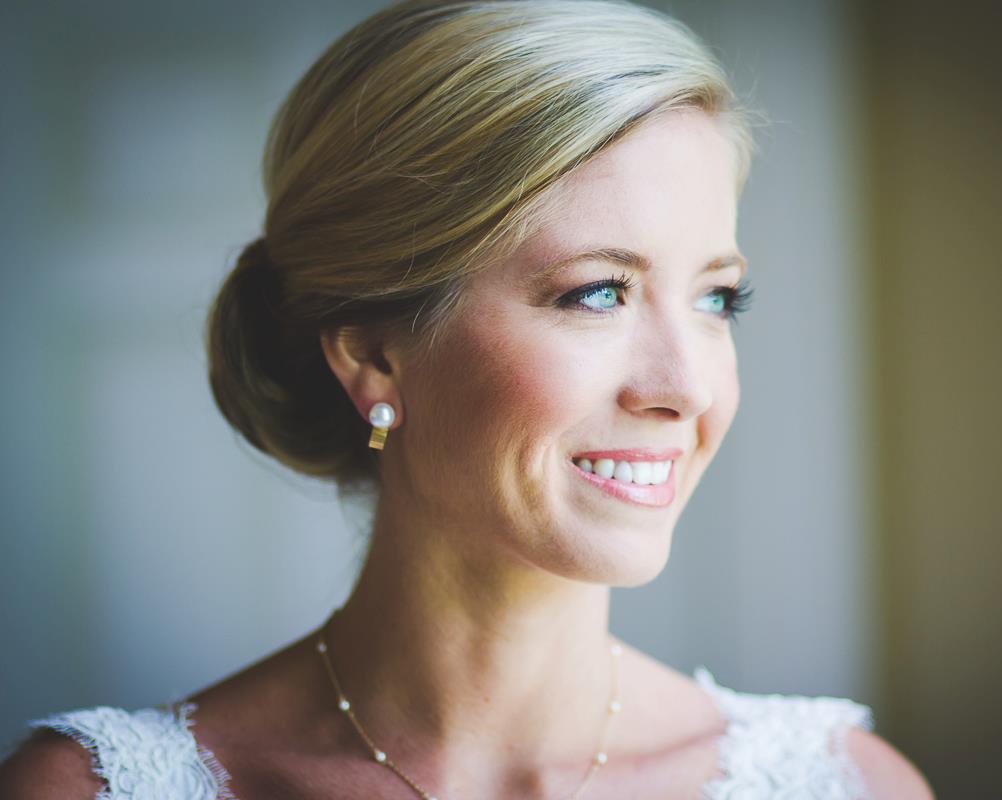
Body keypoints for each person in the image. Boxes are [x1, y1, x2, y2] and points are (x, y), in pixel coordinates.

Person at [0, 1, 933, 797]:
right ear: (374, 354)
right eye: (597, 293)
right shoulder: (89, 789)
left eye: (717, 299)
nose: (686, 387)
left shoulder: (845, 785)